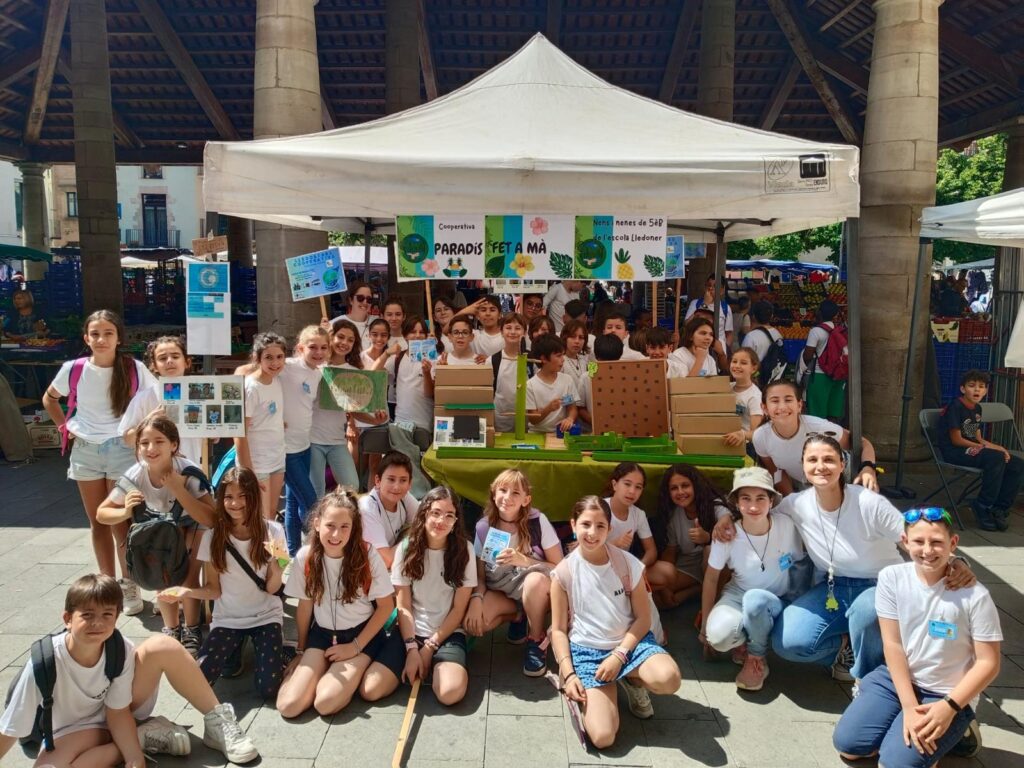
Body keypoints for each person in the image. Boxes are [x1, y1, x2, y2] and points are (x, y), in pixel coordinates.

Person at [715, 434, 976, 684]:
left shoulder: (868, 502)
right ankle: (844, 647)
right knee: (787, 644)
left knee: (866, 611)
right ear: (803, 466)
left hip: (880, 585)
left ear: (842, 464)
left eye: (829, 459)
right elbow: (754, 510)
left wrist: (954, 561)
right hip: (833, 586)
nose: (821, 466)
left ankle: (869, 677)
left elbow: (913, 539)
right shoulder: (796, 504)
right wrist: (725, 517)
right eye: (812, 460)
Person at [0, 575, 259, 766]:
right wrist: (132, 750)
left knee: (163, 645)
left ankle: (217, 722)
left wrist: (135, 760)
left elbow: (117, 712)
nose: (97, 623)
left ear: (116, 618)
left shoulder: (118, 648)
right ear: (68, 619)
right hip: (72, 730)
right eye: (87, 615)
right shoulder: (44, 662)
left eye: (107, 615)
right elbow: (11, 729)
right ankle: (142, 736)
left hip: (117, 712)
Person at [832, 508, 1001, 767]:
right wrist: (909, 706)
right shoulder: (892, 577)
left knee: (896, 764)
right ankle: (899, 726)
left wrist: (949, 706)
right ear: (905, 541)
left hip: (945, 692)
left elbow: (989, 663)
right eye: (919, 541)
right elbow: (893, 644)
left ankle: (958, 727)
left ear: (953, 543)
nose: (927, 550)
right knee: (849, 747)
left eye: (937, 542)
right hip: (897, 680)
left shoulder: (975, 596)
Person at [43, 310, 157, 615]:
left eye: (108, 333)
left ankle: (128, 584)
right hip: (86, 450)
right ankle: (106, 586)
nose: (101, 339)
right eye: (95, 334)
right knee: (97, 521)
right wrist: (64, 427)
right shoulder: (73, 369)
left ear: (119, 338)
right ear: (86, 338)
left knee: (120, 521)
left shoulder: (134, 368)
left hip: (122, 448)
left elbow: (157, 399)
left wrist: (141, 433)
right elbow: (49, 398)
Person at [549, 497, 681, 747]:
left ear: (609, 529)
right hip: (588, 651)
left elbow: (643, 618)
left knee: (669, 678)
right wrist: (568, 674)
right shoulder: (563, 572)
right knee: (603, 737)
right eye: (586, 524)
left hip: (629, 645)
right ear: (573, 525)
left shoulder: (628, 563)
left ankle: (632, 679)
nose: (592, 532)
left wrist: (619, 655)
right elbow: (558, 630)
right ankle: (589, 693)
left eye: (600, 525)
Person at [160, 467, 288, 697]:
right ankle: (236, 648)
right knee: (200, 678)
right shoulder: (213, 537)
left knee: (268, 688)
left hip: (265, 616)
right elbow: (214, 590)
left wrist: (278, 566)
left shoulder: (273, 531)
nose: (235, 503)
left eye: (242, 496)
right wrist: (186, 592)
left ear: (253, 496)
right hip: (229, 619)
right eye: (228, 497)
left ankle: (281, 653)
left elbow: (271, 589)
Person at [276, 488, 403, 718]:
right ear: (317, 524)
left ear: (353, 528)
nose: (336, 534)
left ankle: (349, 671)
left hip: (360, 636)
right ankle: (319, 674)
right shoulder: (306, 556)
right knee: (288, 706)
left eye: (345, 526)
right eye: (330, 525)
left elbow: (386, 607)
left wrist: (355, 647)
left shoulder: (367, 555)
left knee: (325, 703)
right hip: (322, 635)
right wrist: (301, 650)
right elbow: (304, 607)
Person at [96, 414, 215, 655]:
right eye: (144, 443)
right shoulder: (136, 474)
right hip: (161, 528)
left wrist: (178, 490)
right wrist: (125, 511)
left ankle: (192, 628)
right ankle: (171, 628)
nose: (151, 448)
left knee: (188, 577)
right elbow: (102, 513)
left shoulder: (188, 472)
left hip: (193, 524)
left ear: (173, 445)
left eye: (159, 441)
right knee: (162, 574)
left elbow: (211, 518)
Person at [701, 467, 805, 691]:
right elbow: (711, 579)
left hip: (777, 599)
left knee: (758, 602)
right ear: (737, 503)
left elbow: (799, 564)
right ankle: (743, 642)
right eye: (746, 498)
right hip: (738, 594)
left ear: (771, 501)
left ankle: (756, 656)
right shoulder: (726, 534)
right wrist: (704, 627)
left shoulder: (787, 526)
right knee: (719, 637)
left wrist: (797, 604)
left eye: (761, 498)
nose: (754, 506)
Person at [465, 469, 563, 676]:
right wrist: (476, 599)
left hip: (537, 589)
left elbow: (560, 568)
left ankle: (535, 638)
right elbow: (480, 576)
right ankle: (519, 616)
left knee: (535, 581)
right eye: (503, 490)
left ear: (526, 500)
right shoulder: (484, 527)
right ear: (493, 493)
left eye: (515, 493)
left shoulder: (537, 522)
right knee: (476, 622)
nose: (507, 497)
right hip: (502, 592)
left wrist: (524, 560)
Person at [391, 486, 477, 706]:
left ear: (456, 521)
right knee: (371, 689)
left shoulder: (464, 550)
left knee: (450, 693)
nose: (441, 521)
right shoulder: (406, 548)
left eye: (449, 515)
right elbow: (403, 605)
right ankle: (416, 663)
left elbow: (459, 608)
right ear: (424, 513)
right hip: (409, 631)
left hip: (447, 632)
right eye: (436, 513)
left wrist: (429, 647)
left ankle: (438, 665)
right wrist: (412, 648)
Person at [752, 379, 879, 495]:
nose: (782, 407)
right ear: (764, 408)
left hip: (846, 480)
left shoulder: (819, 427)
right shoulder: (760, 437)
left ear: (799, 405)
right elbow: (777, 472)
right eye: (775, 401)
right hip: (806, 488)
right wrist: (791, 500)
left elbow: (863, 443)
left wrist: (868, 469)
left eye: (788, 400)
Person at [937, 369, 1024, 532]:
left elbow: (977, 438)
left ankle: (1000, 508)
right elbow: (956, 440)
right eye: (972, 385)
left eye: (981, 386)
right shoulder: (955, 407)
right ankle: (983, 505)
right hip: (955, 451)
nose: (977, 389)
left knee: (1017, 464)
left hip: (973, 447)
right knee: (996, 458)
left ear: (986, 390)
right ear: (963, 389)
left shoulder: (977, 409)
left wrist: (1000, 448)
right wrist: (987, 449)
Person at [647, 465, 733, 608]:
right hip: (689, 565)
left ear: (695, 486)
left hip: (716, 566)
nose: (680, 492)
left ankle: (709, 602)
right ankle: (697, 590)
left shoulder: (715, 505)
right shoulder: (674, 515)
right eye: (674, 488)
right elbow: (670, 552)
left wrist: (707, 538)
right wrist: (665, 587)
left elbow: (727, 519)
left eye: (685, 485)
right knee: (657, 598)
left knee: (711, 550)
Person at [279, 326, 330, 556]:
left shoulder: (318, 373)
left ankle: (294, 553)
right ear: (300, 348)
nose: (318, 352)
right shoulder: (286, 366)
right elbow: (248, 372)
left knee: (292, 502)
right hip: (286, 448)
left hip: (304, 446)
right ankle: (318, 552)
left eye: (323, 347)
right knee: (312, 504)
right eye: (313, 347)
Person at [119, 335, 202, 465]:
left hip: (191, 467)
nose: (169, 361)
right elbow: (128, 439)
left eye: (175, 356)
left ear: (187, 362)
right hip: (153, 471)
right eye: (162, 358)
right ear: (154, 366)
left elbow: (212, 437)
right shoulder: (144, 398)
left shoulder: (201, 396)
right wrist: (148, 421)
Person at [235, 332, 288, 521]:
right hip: (257, 464)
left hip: (277, 459)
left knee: (271, 515)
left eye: (279, 357)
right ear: (258, 359)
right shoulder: (251, 388)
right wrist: (248, 471)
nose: (275, 363)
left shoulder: (277, 380)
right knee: (259, 518)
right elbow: (239, 433)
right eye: (268, 357)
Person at [309, 319, 363, 498]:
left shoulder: (354, 371)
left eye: (350, 340)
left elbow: (355, 408)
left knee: (351, 487)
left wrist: (374, 418)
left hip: (337, 440)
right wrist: (320, 333)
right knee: (315, 492)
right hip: (312, 439)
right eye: (340, 337)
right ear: (331, 337)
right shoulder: (316, 366)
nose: (345, 343)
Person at [359, 450, 418, 569]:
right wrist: (412, 539)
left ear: (409, 484)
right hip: (365, 570)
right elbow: (385, 561)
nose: (396, 487)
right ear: (378, 481)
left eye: (403, 480)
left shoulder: (404, 497)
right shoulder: (367, 507)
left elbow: (426, 522)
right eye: (391, 479)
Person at [385, 316, 436, 432]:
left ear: (426, 335)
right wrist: (386, 353)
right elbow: (377, 376)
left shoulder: (433, 359)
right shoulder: (397, 358)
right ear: (405, 335)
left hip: (425, 423)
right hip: (401, 421)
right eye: (413, 332)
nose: (417, 335)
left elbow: (429, 393)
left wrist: (426, 372)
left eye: (421, 332)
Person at [799, 299, 846, 420]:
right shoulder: (840, 330)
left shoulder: (816, 331)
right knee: (833, 413)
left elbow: (808, 355)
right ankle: (832, 431)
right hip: (838, 374)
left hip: (820, 375)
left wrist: (802, 371)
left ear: (819, 313)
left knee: (817, 414)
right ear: (835, 315)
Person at [603, 462, 656, 566]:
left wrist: (639, 568)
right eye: (627, 484)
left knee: (667, 570)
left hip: (622, 567)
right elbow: (586, 550)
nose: (632, 491)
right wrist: (616, 543)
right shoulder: (598, 508)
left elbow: (651, 551)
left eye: (638, 487)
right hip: (598, 566)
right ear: (614, 485)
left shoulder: (638, 514)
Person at [526, 335, 580, 434]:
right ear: (544, 359)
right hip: (537, 433)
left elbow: (572, 408)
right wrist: (549, 408)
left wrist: (570, 419)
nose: (563, 359)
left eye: (563, 355)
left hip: (561, 433)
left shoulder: (567, 380)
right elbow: (533, 419)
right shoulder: (530, 385)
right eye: (558, 356)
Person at [492, 312, 528, 433]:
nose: (513, 332)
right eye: (508, 328)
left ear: (525, 332)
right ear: (501, 332)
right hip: (501, 418)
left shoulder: (532, 359)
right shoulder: (493, 360)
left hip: (526, 417)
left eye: (517, 328)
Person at [578, 334, 623, 430]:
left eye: (612, 362)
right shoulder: (586, 377)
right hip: (593, 430)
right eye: (604, 361)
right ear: (597, 357)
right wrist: (597, 423)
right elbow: (580, 408)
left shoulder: (625, 376)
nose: (608, 366)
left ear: (619, 358)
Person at [725, 348, 764, 450]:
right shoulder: (726, 388)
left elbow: (756, 433)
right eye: (734, 361)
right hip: (726, 441)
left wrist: (742, 435)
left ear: (753, 368)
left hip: (744, 447)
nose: (737, 366)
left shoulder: (754, 396)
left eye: (743, 363)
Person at [685, 275, 733, 350]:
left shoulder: (725, 308)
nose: (711, 288)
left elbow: (729, 334)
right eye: (709, 285)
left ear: (721, 290)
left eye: (715, 286)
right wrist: (705, 304)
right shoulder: (695, 303)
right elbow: (687, 324)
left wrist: (725, 349)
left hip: (718, 348)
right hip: (698, 347)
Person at [743, 301, 785, 381]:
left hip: (755, 380)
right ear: (771, 316)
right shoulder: (778, 334)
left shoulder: (751, 337)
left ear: (753, 316)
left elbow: (744, 362)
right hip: (773, 380)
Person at [330, 281, 374, 349]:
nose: (365, 302)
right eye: (360, 298)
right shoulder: (334, 324)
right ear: (351, 300)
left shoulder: (377, 322)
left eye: (369, 299)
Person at [560, 318, 590, 383]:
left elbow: (594, 380)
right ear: (565, 338)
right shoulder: (560, 361)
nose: (577, 341)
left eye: (581, 337)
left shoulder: (586, 360)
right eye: (573, 336)